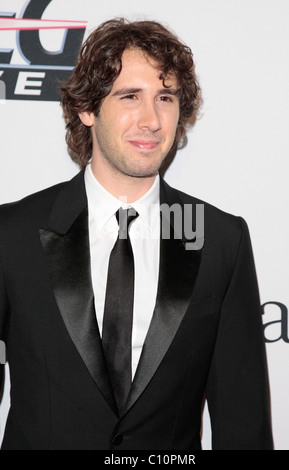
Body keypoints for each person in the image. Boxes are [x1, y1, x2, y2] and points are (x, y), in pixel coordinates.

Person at [0, 18, 273, 450]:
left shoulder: (221, 240)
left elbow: (244, 422)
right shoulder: (10, 236)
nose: (151, 119)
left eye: (165, 97)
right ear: (87, 109)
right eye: (131, 96)